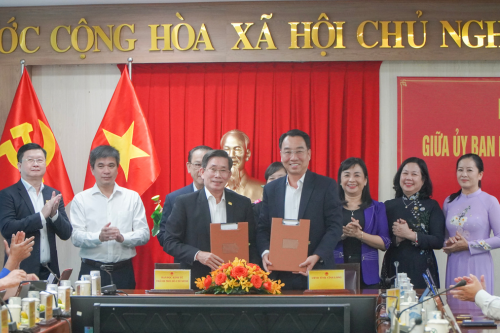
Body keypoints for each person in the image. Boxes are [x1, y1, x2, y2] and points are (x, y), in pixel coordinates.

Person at [257, 129, 343, 290]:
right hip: (278, 274)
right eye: (288, 152)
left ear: (309, 154)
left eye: (299, 151)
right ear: (281, 154)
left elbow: (335, 227)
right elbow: (262, 228)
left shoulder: (326, 186)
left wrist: (317, 256)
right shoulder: (271, 189)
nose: (293, 157)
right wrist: (265, 252)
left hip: (316, 271)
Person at [164, 150, 258, 288]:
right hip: (196, 281)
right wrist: (197, 254)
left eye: (223, 170)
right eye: (213, 169)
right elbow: (169, 242)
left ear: (229, 174)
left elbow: (251, 242)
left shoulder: (242, 203)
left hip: (234, 282)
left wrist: (252, 273)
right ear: (202, 172)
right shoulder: (185, 203)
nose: (218, 175)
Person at [71, 145, 150, 289]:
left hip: (123, 271)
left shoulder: (132, 197)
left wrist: (123, 238)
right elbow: (76, 237)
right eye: (100, 166)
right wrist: (98, 237)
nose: (106, 171)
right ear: (92, 169)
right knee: (89, 311)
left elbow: (144, 234)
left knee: (125, 312)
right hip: (91, 271)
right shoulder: (81, 199)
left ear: (118, 168)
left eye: (111, 165)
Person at [0, 143, 72, 279]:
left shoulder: (53, 193)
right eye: (30, 160)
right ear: (19, 166)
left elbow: (66, 233)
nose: (35, 164)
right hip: (21, 270)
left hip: (50, 270)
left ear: (45, 164)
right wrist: (41, 216)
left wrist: (54, 215)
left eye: (39, 160)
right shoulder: (7, 194)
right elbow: (7, 228)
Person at [443, 154, 500, 311]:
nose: (464, 174)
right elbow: (444, 237)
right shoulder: (449, 202)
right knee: (455, 312)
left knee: (478, 313)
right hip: (455, 263)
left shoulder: (489, 201)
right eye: (460, 170)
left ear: (480, 174)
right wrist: (447, 244)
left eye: (469, 170)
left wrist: (469, 245)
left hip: (479, 264)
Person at [381, 157, 445, 289]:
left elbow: (438, 241)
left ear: (423, 179)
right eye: (405, 173)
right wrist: (397, 238)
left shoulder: (432, 206)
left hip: (422, 269)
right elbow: (382, 240)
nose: (408, 178)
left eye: (414, 174)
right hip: (394, 266)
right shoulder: (388, 206)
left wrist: (410, 235)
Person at [334, 157, 390, 289]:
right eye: (346, 175)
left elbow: (385, 243)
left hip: (369, 276)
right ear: (340, 181)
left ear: (365, 180)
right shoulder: (330, 208)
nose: (351, 179)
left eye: (357, 175)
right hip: (335, 274)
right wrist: (342, 234)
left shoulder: (377, 208)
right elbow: (320, 239)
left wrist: (359, 235)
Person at [157, 145, 212, 248]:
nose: (202, 170)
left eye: (206, 165)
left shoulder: (226, 198)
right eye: (197, 164)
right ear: (189, 167)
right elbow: (163, 236)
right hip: (186, 261)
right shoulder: (174, 198)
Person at [221, 129, 265, 202]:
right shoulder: (211, 188)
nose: (231, 155)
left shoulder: (262, 189)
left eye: (237, 149)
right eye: (227, 149)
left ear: (247, 154)